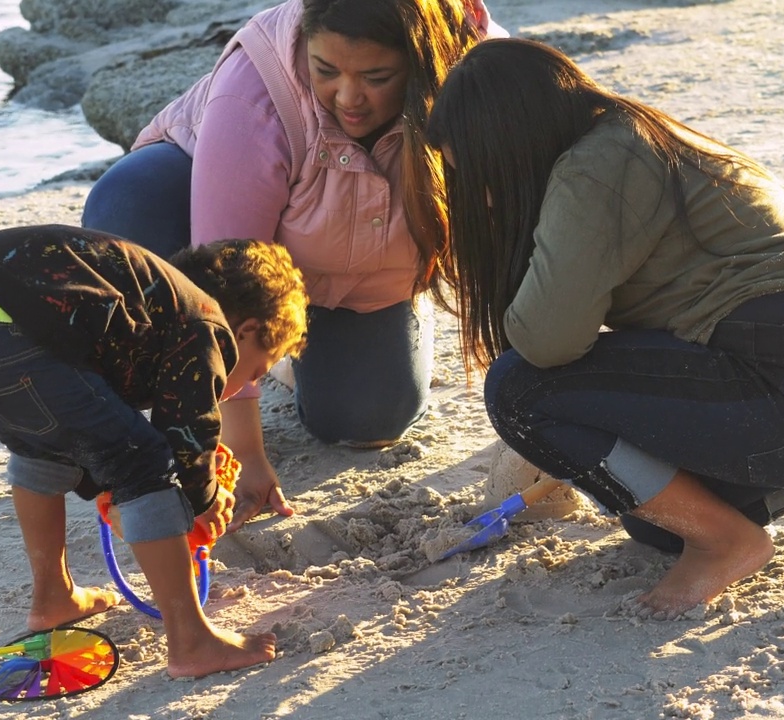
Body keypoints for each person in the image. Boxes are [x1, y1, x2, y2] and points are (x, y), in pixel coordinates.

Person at [425, 39, 784, 619]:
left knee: (520, 388)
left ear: (510, 140)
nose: (483, 197)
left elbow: (546, 341)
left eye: (477, 172)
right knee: (657, 519)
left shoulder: (598, 165)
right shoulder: (635, 135)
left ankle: (727, 543)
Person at [80, 0, 504, 529]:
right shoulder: (254, 91)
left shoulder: (485, 76)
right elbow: (225, 288)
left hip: (367, 266)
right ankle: (261, 353)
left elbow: (512, 235)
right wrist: (244, 453)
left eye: (376, 76)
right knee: (127, 207)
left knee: (368, 420)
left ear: (424, 58)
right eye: (326, 71)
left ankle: (283, 349)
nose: (348, 98)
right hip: (219, 240)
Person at [0, 225, 308, 678]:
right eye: (255, 368)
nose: (243, 384)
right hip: (5, 327)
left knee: (43, 448)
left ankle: (53, 597)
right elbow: (188, 432)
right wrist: (204, 499)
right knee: (142, 463)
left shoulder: (154, 301)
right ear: (246, 330)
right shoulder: (206, 321)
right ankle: (192, 641)